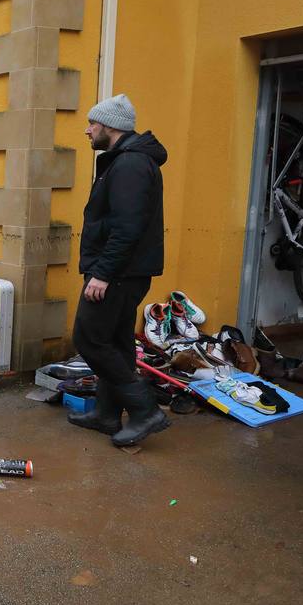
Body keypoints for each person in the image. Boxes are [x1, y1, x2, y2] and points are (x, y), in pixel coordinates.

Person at [69, 93, 171, 447]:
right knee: (116, 342)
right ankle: (107, 413)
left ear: (109, 126)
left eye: (92, 123)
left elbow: (127, 227)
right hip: (125, 272)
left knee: (90, 338)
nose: (87, 130)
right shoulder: (125, 161)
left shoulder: (129, 165)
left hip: (117, 274)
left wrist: (102, 273)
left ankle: (145, 411)